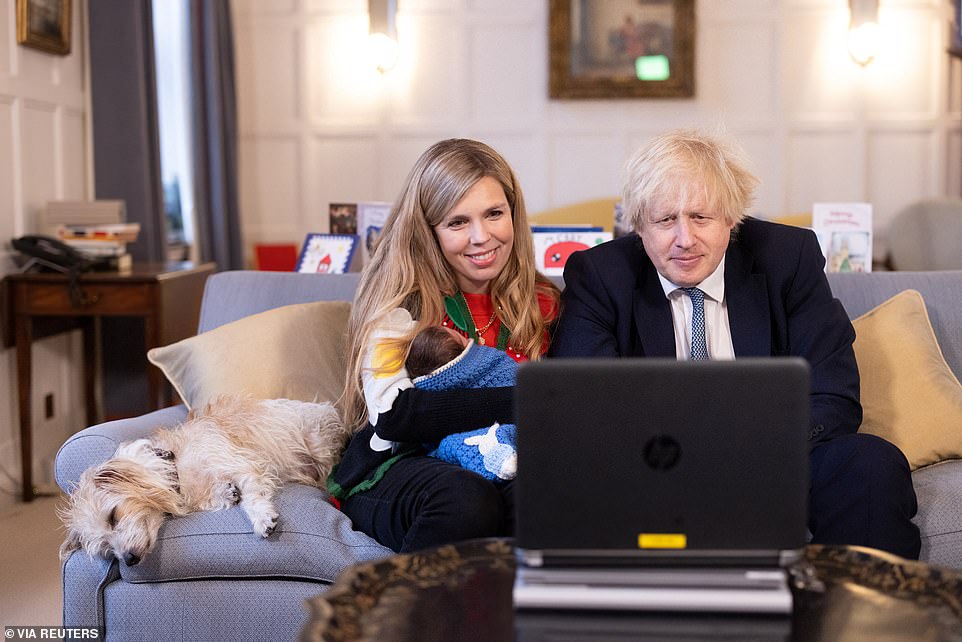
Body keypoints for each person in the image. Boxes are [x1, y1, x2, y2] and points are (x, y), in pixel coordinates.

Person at [549, 128, 921, 559]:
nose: (684, 239)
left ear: (731, 218)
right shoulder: (599, 276)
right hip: (652, 468)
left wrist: (753, 451)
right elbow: (588, 406)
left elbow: (833, 393)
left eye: (701, 218)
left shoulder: (788, 257)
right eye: (665, 220)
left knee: (869, 464)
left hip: (773, 458)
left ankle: (861, 619)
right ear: (638, 227)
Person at [328, 138, 560, 553]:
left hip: (502, 455)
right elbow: (396, 415)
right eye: (457, 223)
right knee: (466, 501)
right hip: (398, 465)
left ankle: (527, 615)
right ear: (428, 231)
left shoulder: (542, 300)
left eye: (494, 214)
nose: (481, 236)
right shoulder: (400, 303)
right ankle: (405, 616)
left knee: (543, 497)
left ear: (513, 213)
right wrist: (528, 396)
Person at [405, 324, 520, 483]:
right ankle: (501, 458)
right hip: (473, 432)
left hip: (509, 421)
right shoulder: (430, 395)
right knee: (453, 444)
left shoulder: (494, 367)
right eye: (462, 339)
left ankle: (502, 456)